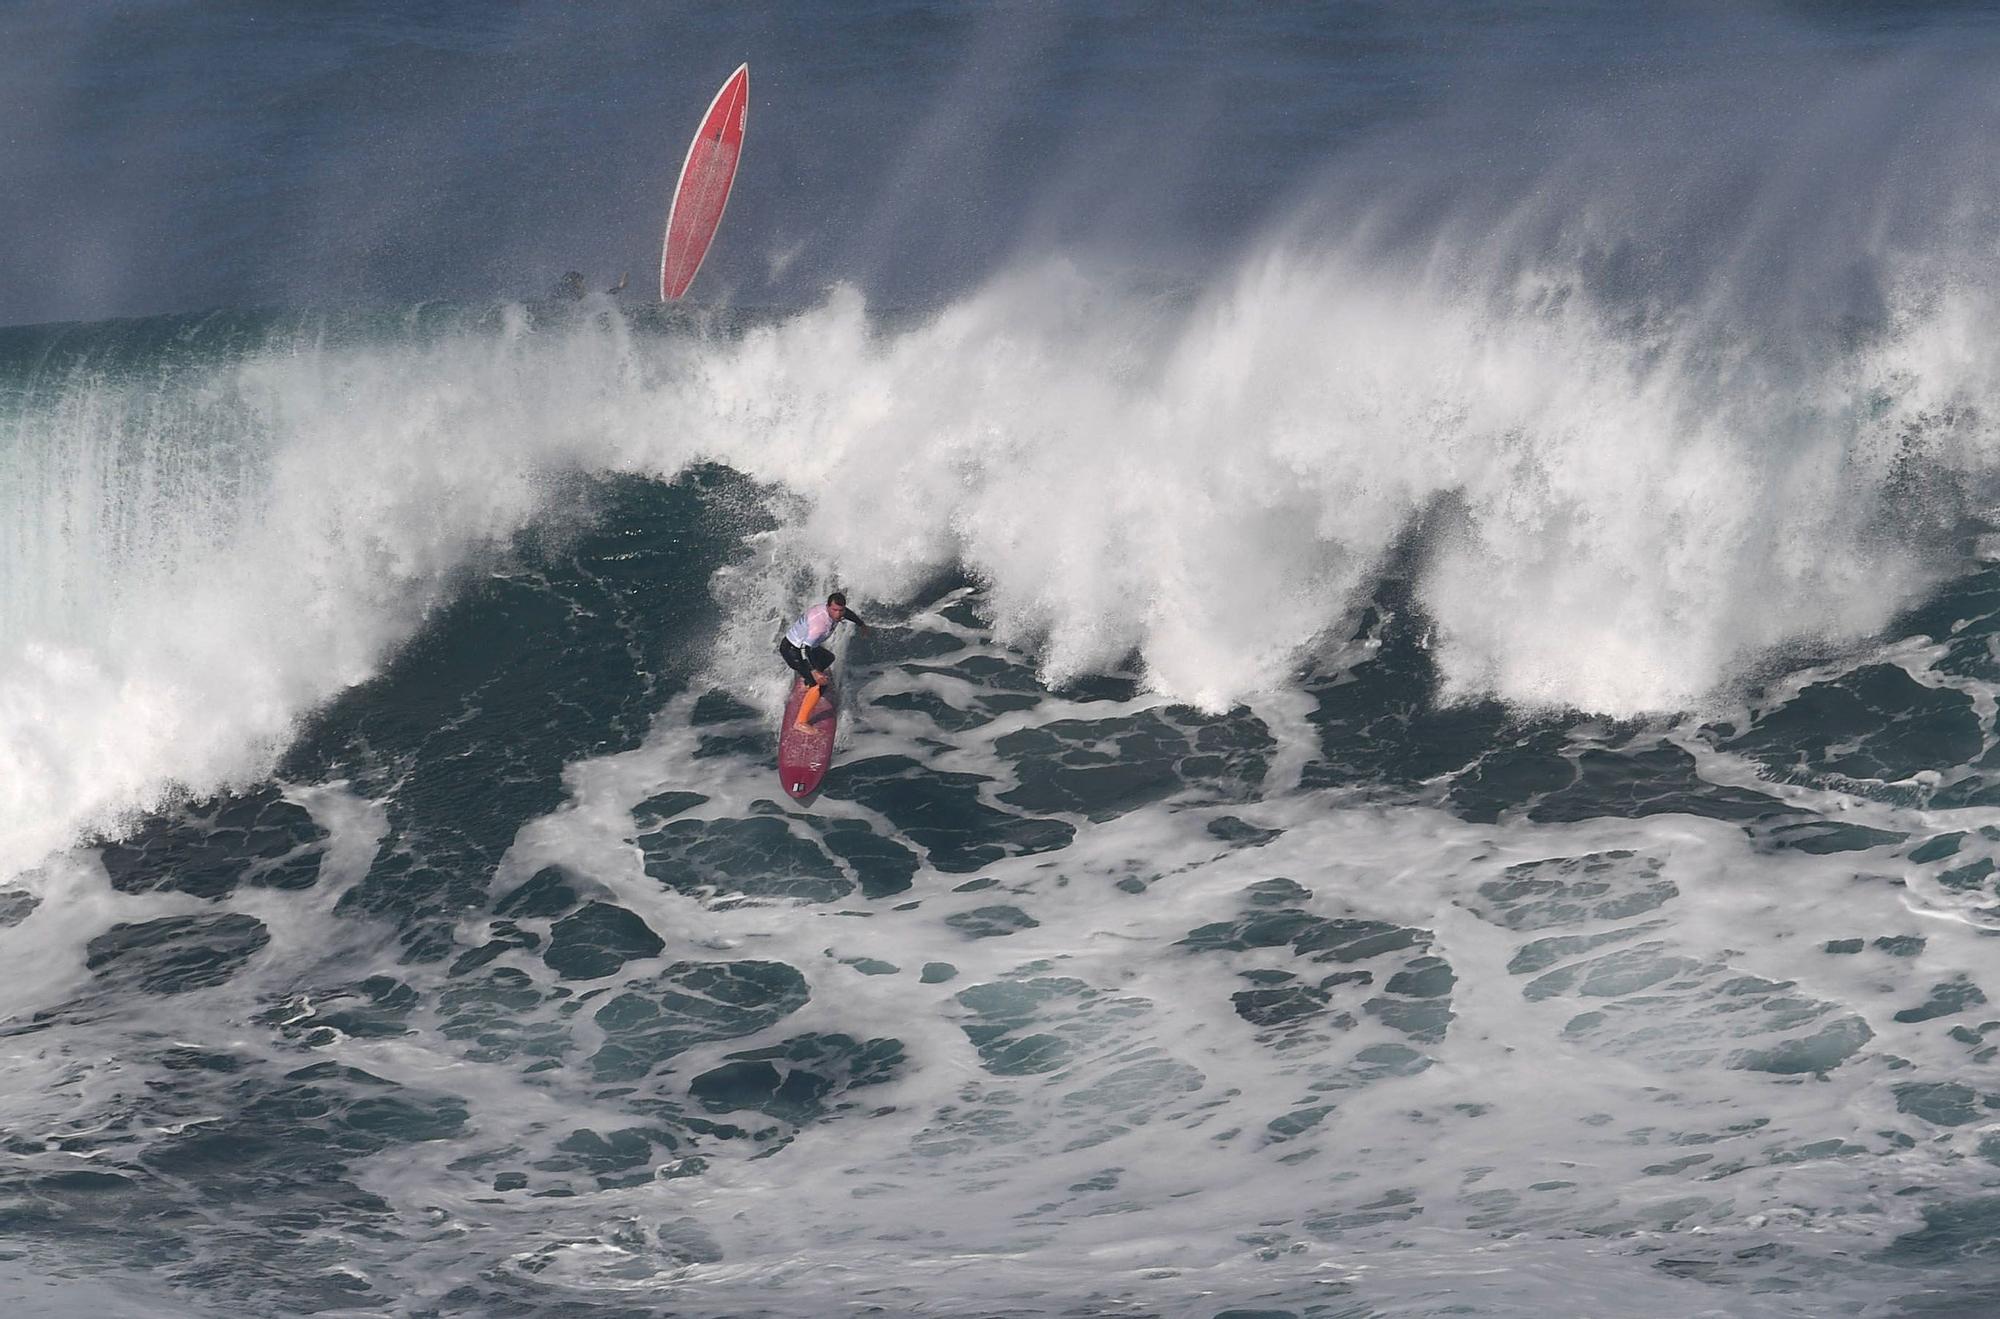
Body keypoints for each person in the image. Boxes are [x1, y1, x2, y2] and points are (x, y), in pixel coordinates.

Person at [780, 591, 867, 730]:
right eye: (835, 610)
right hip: (793, 651)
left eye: (841, 610)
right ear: (827, 607)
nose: (838, 614)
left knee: (828, 658)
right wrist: (814, 671)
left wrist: (861, 624)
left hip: (804, 647)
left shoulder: (835, 612)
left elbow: (847, 613)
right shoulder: (820, 625)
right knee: (821, 685)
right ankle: (800, 722)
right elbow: (804, 649)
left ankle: (808, 683)